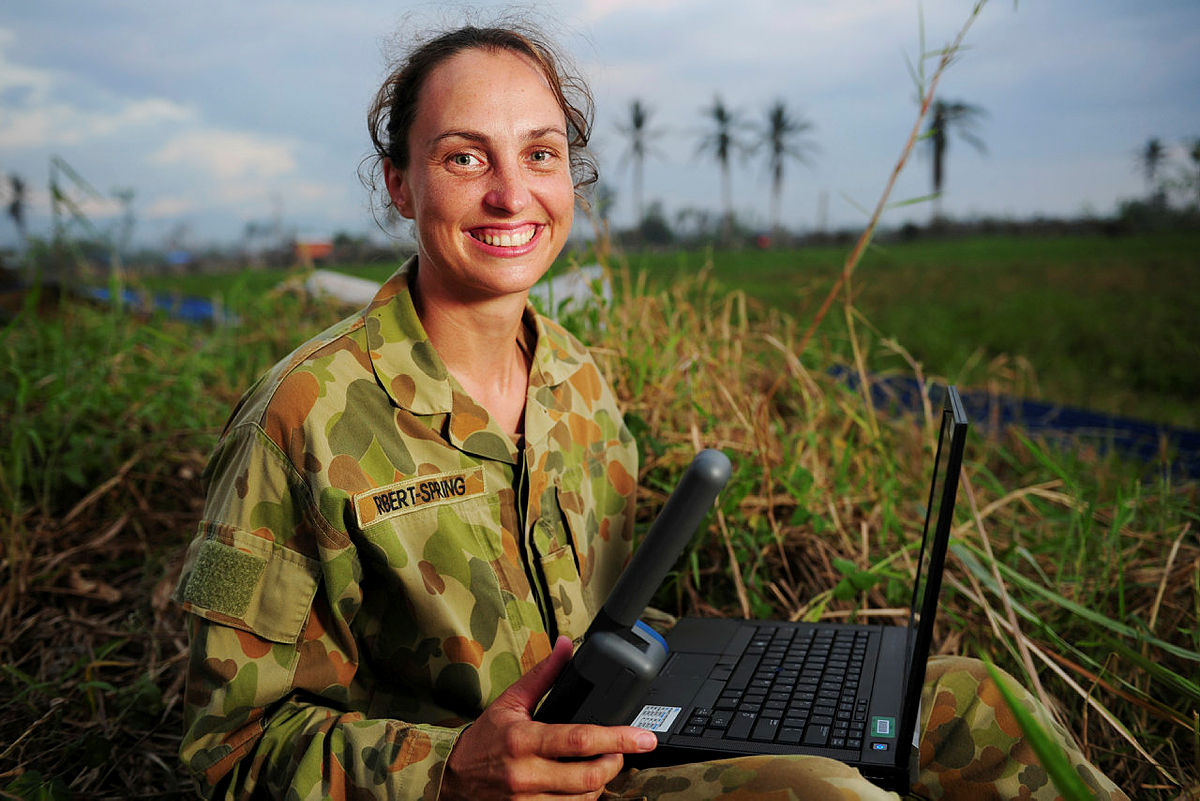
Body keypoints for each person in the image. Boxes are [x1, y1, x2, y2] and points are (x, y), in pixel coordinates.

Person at [175, 20, 1128, 801]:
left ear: (569, 177)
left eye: (539, 153)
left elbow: (609, 619)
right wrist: (452, 771)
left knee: (966, 699)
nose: (512, 193)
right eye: (465, 157)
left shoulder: (580, 383)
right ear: (399, 184)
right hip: (491, 795)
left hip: (627, 737)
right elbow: (226, 753)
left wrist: (753, 674)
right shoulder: (305, 412)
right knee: (829, 793)